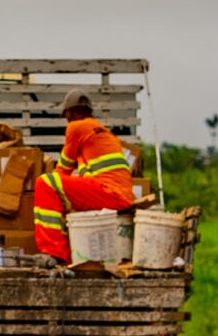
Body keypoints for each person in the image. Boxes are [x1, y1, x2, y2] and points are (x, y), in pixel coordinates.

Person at [32, 93, 139, 259]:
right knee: (62, 190)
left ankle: (54, 252)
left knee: (45, 183)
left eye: (66, 115)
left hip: (110, 193)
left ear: (70, 113)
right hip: (119, 194)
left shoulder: (76, 128)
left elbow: (62, 170)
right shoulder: (104, 132)